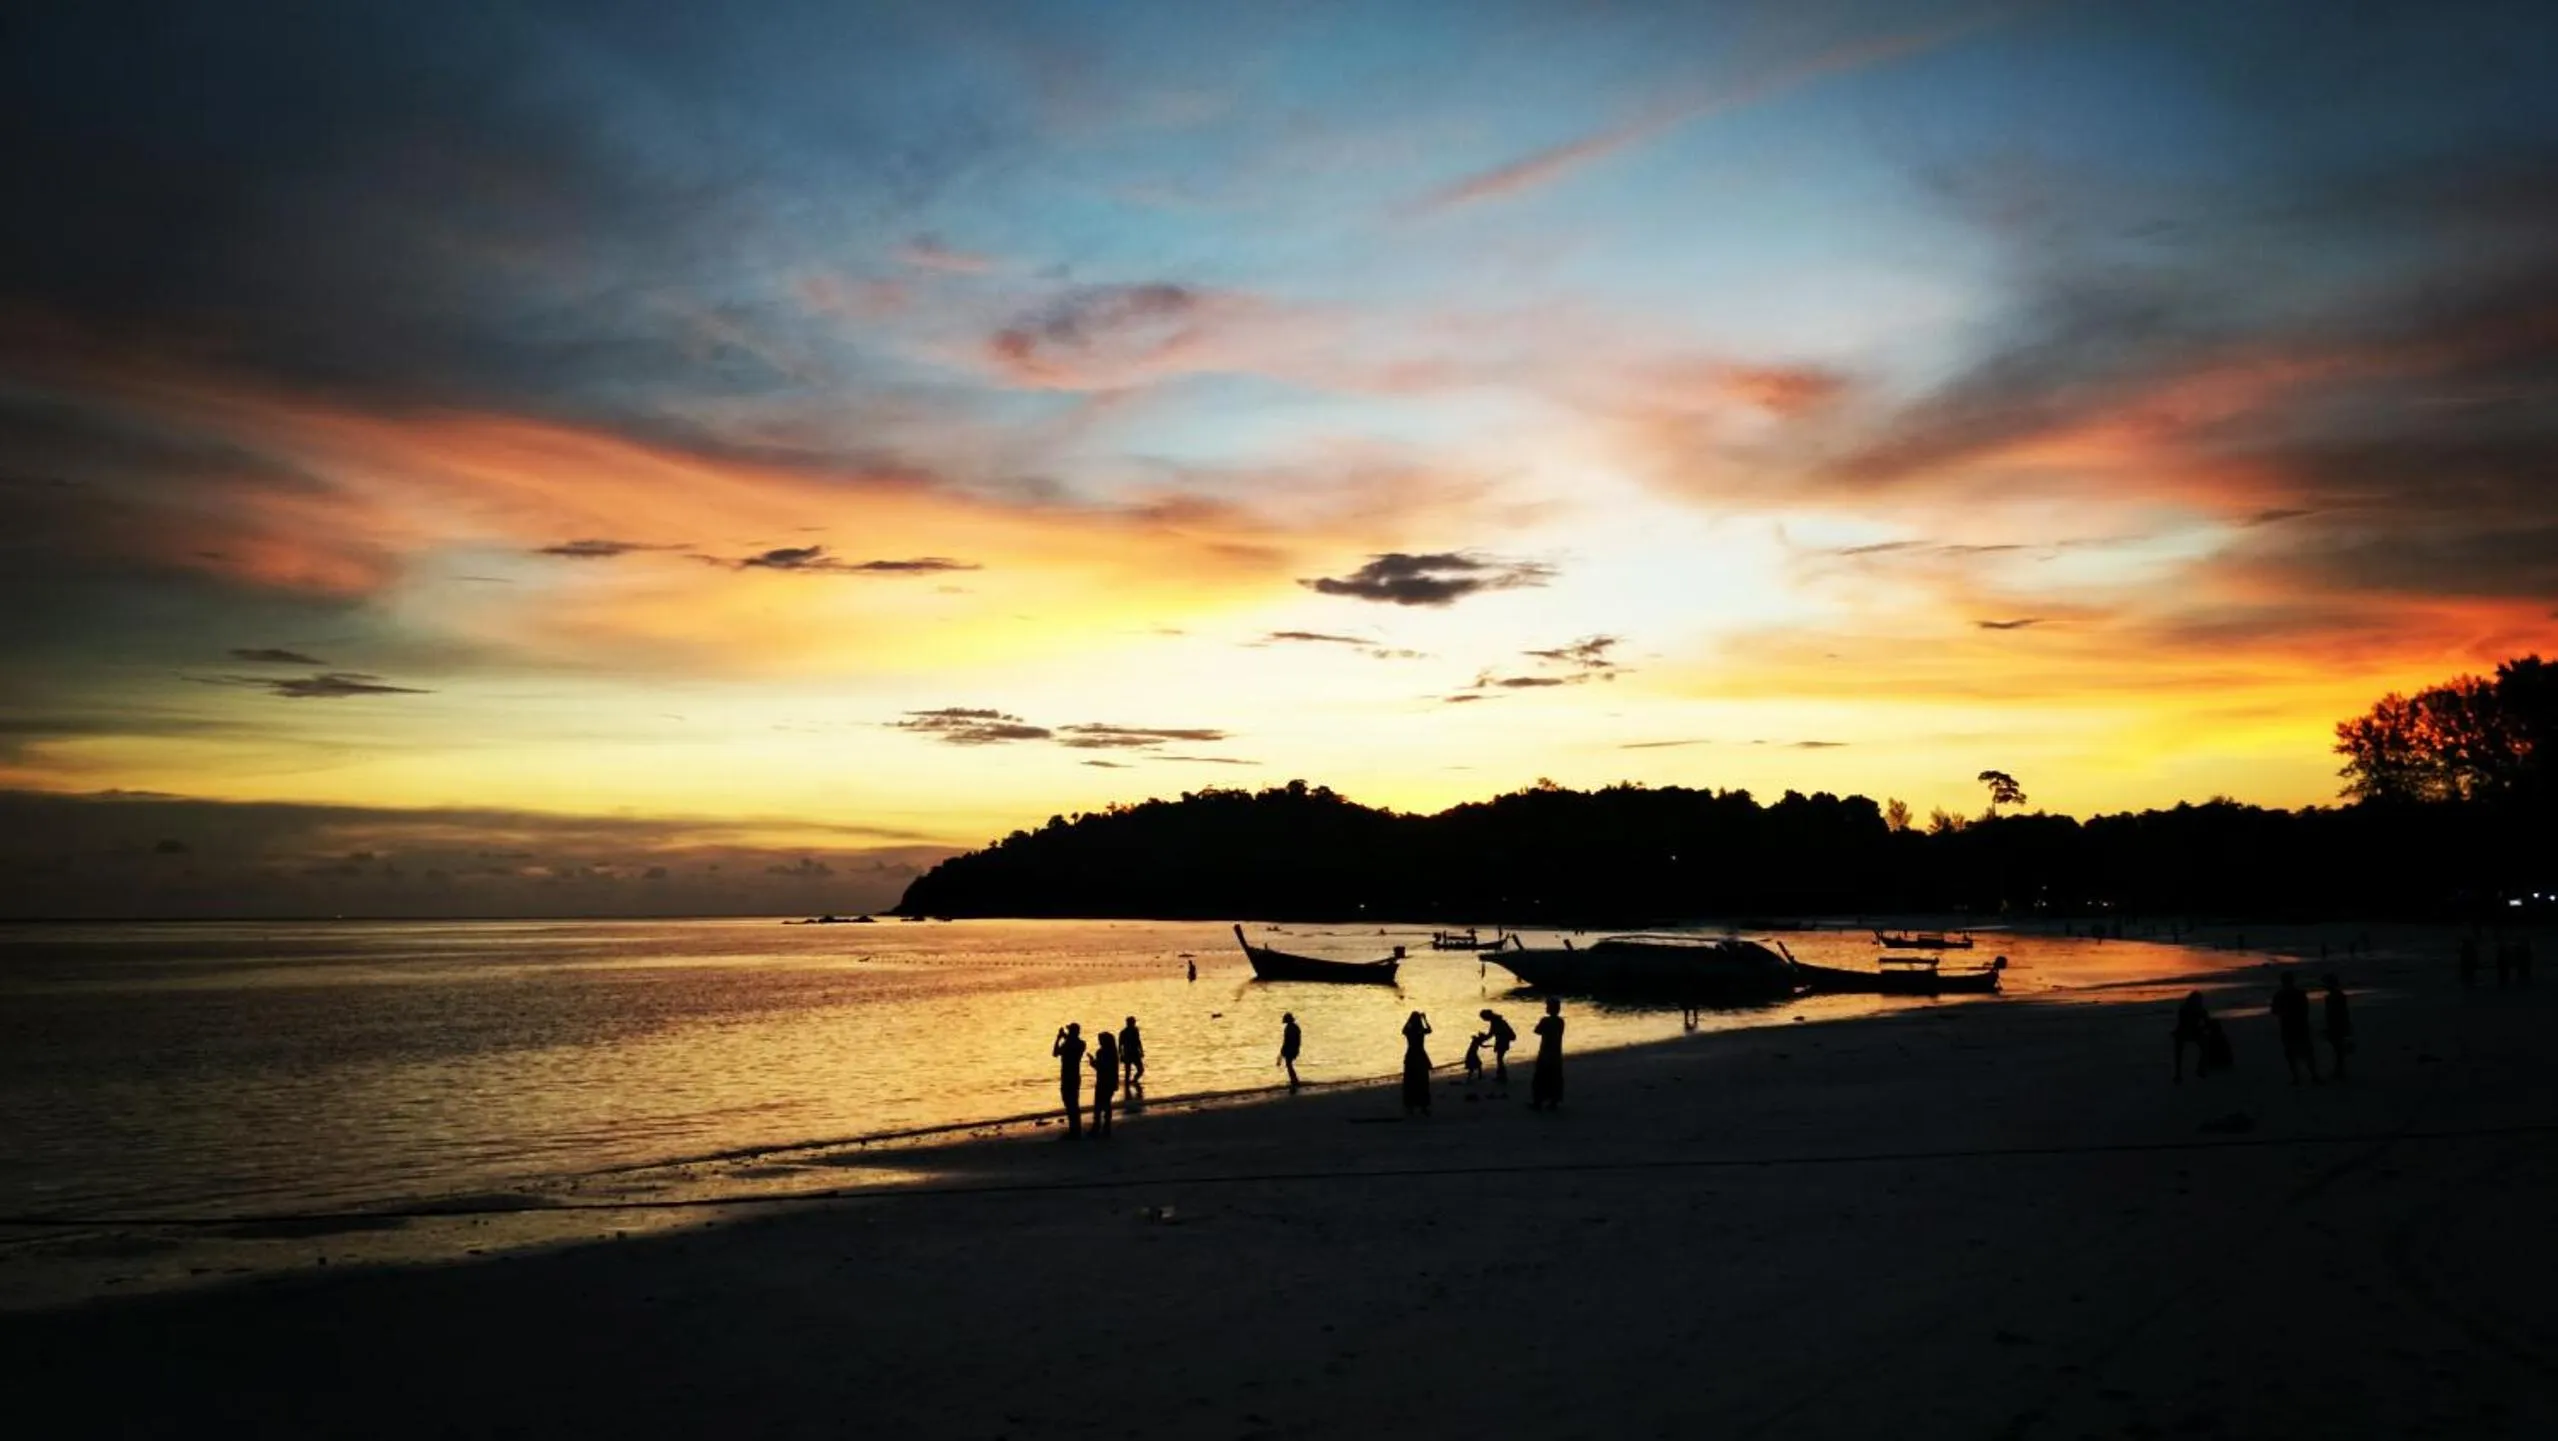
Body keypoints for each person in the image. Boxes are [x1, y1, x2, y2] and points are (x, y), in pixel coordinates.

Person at [2270, 971, 2319, 1085]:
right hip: (2300, 1025)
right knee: (2306, 1052)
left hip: (2288, 1027)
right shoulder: (2299, 994)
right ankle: (2313, 1075)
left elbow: (2274, 1011)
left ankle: (2297, 1077)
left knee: (2292, 1053)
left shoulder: (2279, 995)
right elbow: (2305, 1010)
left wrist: (2284, 1013)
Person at [1529, 996, 1565, 1110]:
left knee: (1540, 1077)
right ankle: (1553, 1101)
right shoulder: (1560, 1021)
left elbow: (1537, 1030)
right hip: (1556, 1053)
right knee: (1554, 1077)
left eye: (1548, 1006)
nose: (1546, 1008)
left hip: (1545, 1052)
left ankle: (1538, 1102)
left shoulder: (1545, 1021)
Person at [1053, 1023, 1086, 1138]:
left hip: (1067, 1076)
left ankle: (1074, 1131)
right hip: (1075, 1076)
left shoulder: (1068, 1044)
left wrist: (1059, 1038)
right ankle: (1076, 1129)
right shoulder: (1081, 1044)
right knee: (1074, 1103)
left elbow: (1055, 1053)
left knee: (1069, 1102)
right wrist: (1064, 1036)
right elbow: (1074, 1041)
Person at [2171, 991, 2212, 1083]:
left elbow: (2207, 1023)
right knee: (2204, 1046)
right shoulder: (2188, 1010)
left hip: (2189, 1032)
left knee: (2204, 1046)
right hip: (2188, 1032)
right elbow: (2184, 1024)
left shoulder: (2188, 1009)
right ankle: (2180, 1073)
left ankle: (2197, 1068)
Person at [2321, 974, 2354, 1080]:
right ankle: (2339, 1070)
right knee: (2338, 1049)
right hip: (2337, 1024)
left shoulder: (2334, 997)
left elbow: (2338, 1012)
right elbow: (2344, 1012)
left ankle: (2339, 1071)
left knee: (2338, 1048)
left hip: (2336, 1024)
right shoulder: (2338, 996)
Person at [1400, 1011, 1433, 1115]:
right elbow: (1429, 1030)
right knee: (1422, 1082)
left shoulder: (1410, 1031)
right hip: (1420, 1056)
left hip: (1411, 1057)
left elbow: (1403, 1030)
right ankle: (1423, 1107)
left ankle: (1411, 1107)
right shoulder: (1420, 1031)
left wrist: (1409, 1021)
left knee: (1411, 1082)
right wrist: (1424, 1019)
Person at [1091, 1029, 1120, 1138]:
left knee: (1098, 1105)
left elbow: (1101, 1067)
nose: (1099, 1042)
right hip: (1111, 1081)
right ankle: (1106, 1127)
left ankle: (1097, 1126)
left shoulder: (1101, 1052)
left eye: (1100, 1040)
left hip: (1102, 1081)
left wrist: (1092, 1062)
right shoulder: (1114, 1053)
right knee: (1107, 1104)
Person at [1479, 1008, 1516, 1087]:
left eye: (1484, 1018)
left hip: (1502, 1041)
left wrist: (1482, 1039)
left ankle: (1502, 1076)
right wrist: (1484, 1038)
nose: (1484, 1020)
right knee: (1499, 1058)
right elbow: (1492, 1034)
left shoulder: (1496, 1022)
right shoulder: (1497, 1021)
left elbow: (1491, 1034)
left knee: (1499, 1058)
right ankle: (1501, 1075)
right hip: (1503, 1040)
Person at [1277, 1012, 1302, 1090]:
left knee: (1289, 1064)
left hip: (1290, 1049)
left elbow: (1286, 1041)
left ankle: (1294, 1080)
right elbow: (1298, 1040)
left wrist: (1282, 1051)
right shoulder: (1296, 1027)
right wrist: (1297, 1049)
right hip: (1294, 1048)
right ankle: (1294, 1080)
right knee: (1289, 1064)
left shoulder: (1288, 1028)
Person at [1119, 1016, 1146, 1088]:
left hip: (1135, 1053)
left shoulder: (1135, 1030)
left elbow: (1138, 1041)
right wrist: (1121, 1055)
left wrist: (1141, 1051)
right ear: (1128, 1023)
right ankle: (1127, 1087)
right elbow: (1120, 1045)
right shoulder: (1123, 1032)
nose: (1134, 1023)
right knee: (1127, 1072)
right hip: (1127, 1053)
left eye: (1134, 1022)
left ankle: (1134, 1081)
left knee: (1141, 1070)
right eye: (1132, 1022)